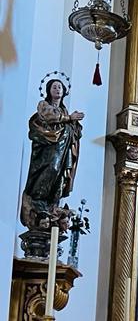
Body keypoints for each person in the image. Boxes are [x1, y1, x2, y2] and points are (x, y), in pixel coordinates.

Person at [21, 75, 84, 230]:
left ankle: (51, 203)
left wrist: (74, 124)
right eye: (54, 87)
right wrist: (69, 118)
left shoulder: (64, 110)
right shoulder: (44, 105)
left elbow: (73, 131)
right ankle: (38, 200)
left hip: (64, 150)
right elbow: (49, 116)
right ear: (48, 90)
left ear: (64, 92)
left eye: (60, 87)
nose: (57, 89)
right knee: (51, 169)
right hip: (48, 148)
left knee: (60, 176)